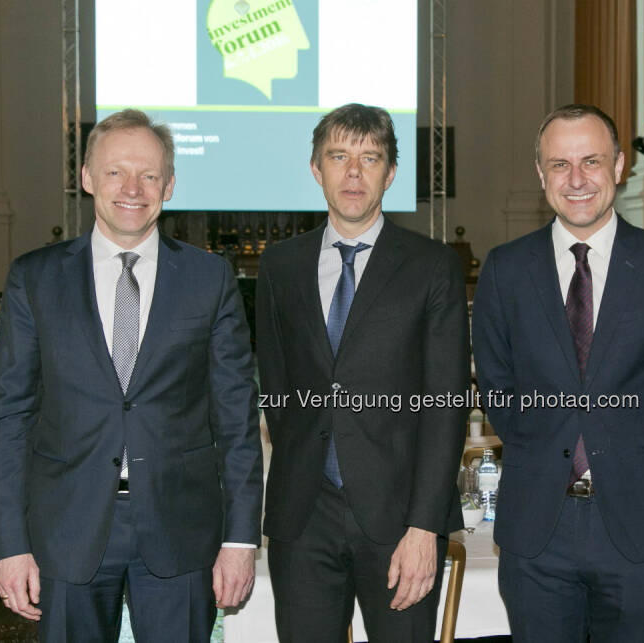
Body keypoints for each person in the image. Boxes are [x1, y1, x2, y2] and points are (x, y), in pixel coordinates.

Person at [0, 109, 263, 642]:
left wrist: (241, 539)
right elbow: (10, 420)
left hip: (182, 532)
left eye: (149, 175)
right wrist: (10, 545)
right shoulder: (34, 279)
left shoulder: (210, 279)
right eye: (115, 172)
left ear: (170, 185)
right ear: (87, 179)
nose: (132, 188)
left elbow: (236, 420)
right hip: (66, 532)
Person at [472, 104, 644, 642]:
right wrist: (545, 450)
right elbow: (497, 385)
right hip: (537, 526)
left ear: (620, 166)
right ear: (540, 174)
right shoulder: (506, 269)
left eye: (591, 161)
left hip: (635, 523)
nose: (576, 180)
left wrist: (639, 457)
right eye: (559, 164)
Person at [257, 103, 469, 642]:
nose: (353, 172)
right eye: (339, 156)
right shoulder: (280, 266)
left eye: (370, 158)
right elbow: (278, 391)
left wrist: (425, 526)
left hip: (401, 521)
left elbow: (446, 407)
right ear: (316, 169)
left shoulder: (433, 266)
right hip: (302, 517)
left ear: (390, 174)